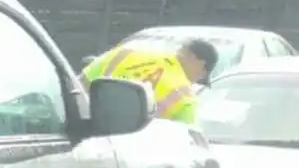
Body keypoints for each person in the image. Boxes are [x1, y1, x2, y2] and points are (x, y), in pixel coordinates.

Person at [82, 37, 218, 124]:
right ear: (199, 62)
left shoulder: (125, 54)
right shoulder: (185, 97)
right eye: (202, 75)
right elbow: (189, 141)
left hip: (83, 137)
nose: (196, 81)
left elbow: (78, 85)